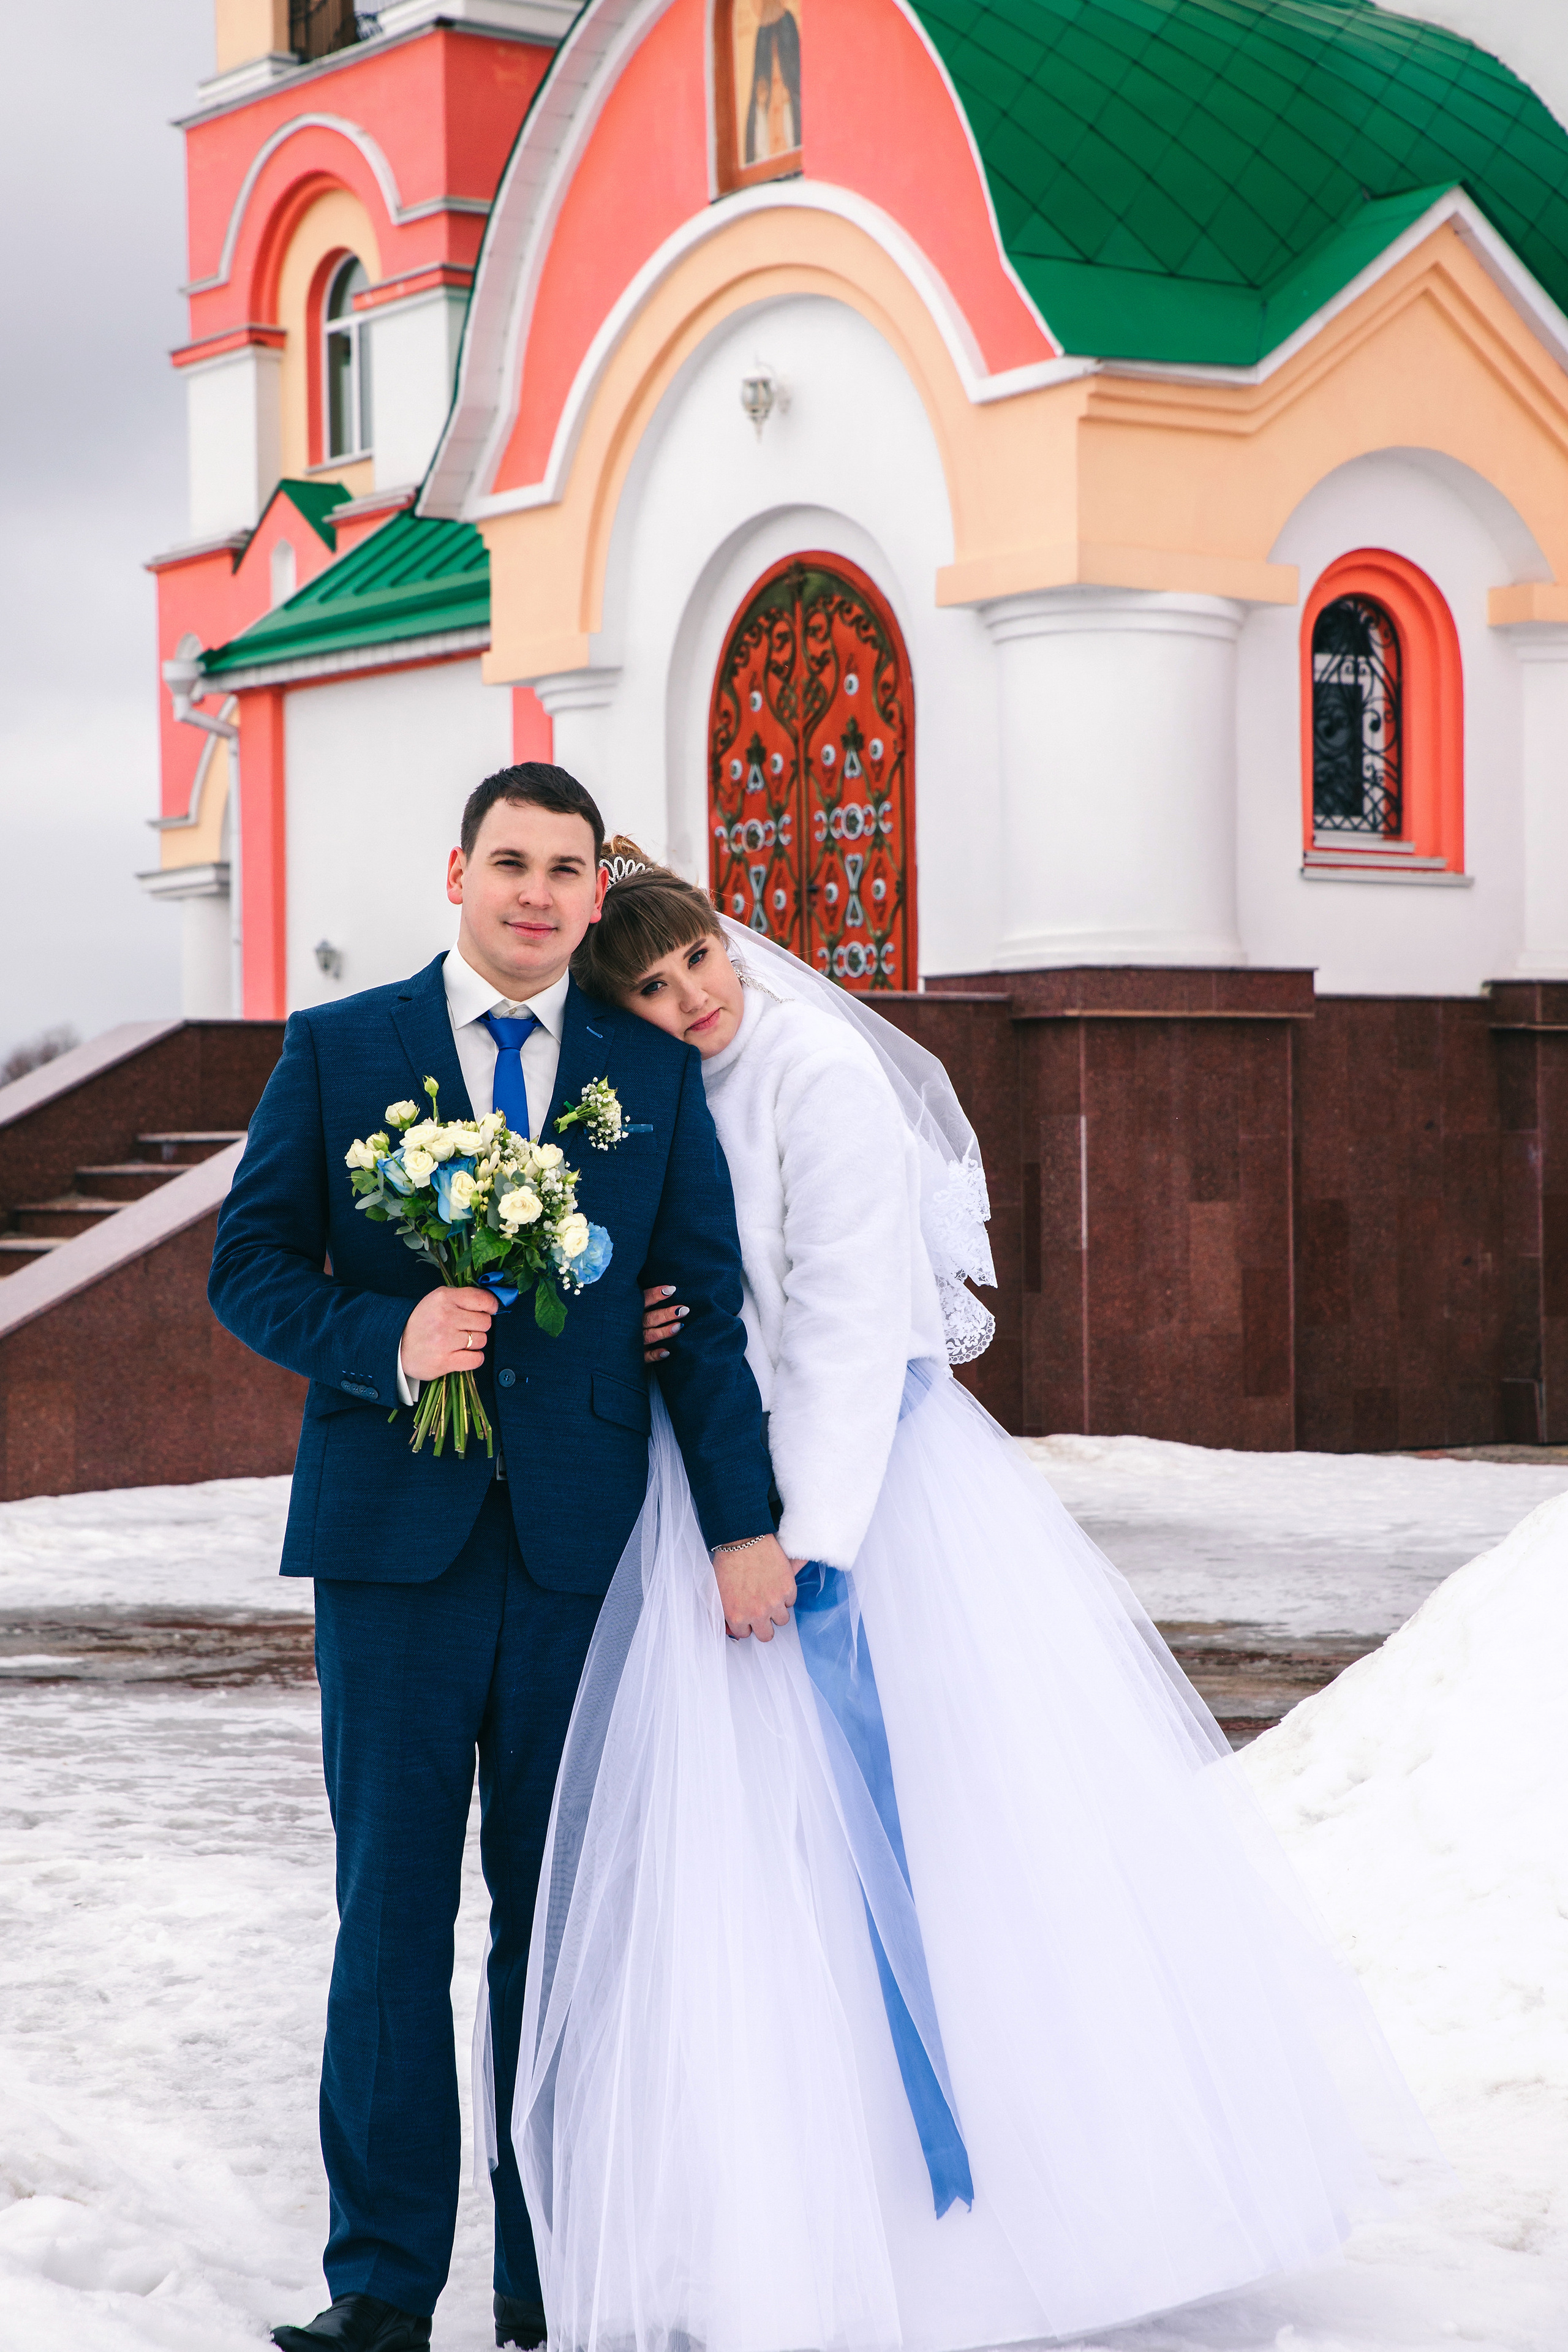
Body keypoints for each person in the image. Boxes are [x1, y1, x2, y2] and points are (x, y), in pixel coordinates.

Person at [507, 841, 1434, 2352]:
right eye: (655, 988)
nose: (692, 1000)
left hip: (853, 1497)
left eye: (699, 962)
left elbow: (847, 1321)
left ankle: (996, 2223)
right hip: (727, 1496)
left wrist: (806, 1543)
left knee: (928, 1830)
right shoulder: (665, 1085)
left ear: (730, 943)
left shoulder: (814, 1071)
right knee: (760, 1857)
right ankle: (778, 2216)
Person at [207, 771, 795, 2352]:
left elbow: (699, 1316)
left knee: (564, 1930)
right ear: (458, 871)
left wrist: (741, 1524)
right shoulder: (340, 1049)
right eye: (511, 862)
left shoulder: (645, 1071)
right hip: (390, 1552)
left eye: (566, 869)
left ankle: (555, 2276)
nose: (537, 893)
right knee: (391, 1921)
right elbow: (246, 1268)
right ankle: (381, 2286)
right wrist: (384, 1336)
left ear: (599, 892)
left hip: (577, 1556)